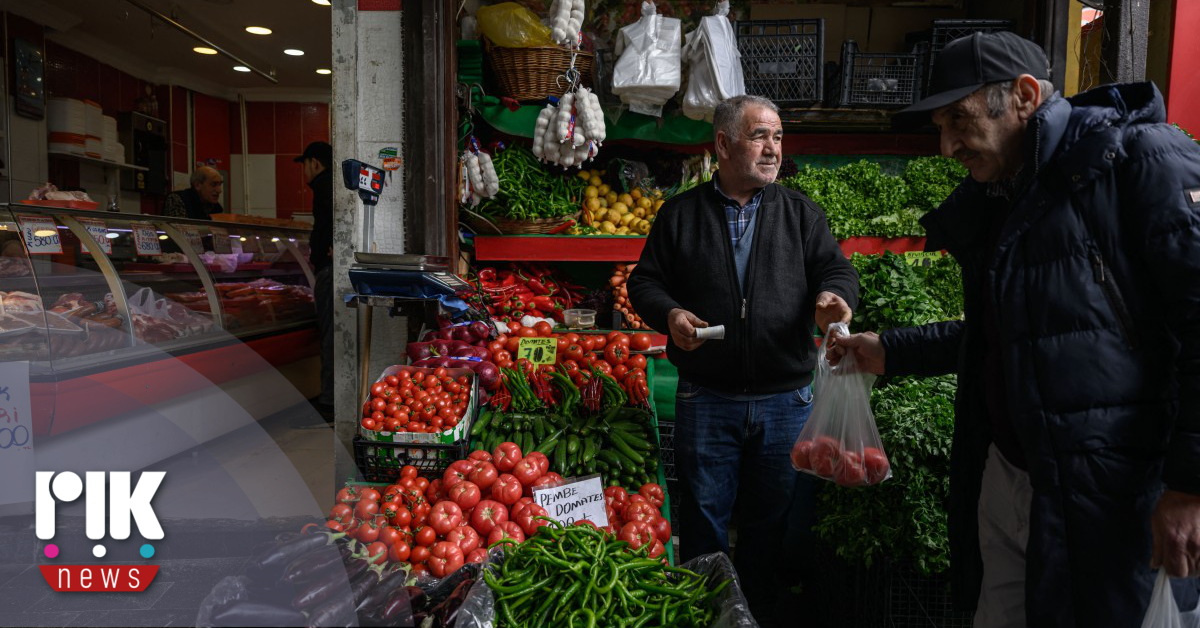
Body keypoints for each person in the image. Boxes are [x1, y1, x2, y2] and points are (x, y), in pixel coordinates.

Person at [828, 32, 1200, 627]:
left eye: (959, 120)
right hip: (1009, 474)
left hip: (1107, 490)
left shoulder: (1137, 159)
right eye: (939, 127)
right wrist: (890, 351)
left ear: (1024, 96)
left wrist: (1190, 487)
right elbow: (1014, 334)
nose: (947, 145)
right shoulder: (1004, 193)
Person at [627, 94, 858, 626]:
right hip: (708, 397)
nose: (773, 148)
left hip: (786, 399)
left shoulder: (801, 213)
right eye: (760, 136)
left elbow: (836, 270)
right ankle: (707, 615)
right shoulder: (682, 214)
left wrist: (834, 299)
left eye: (777, 136)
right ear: (724, 145)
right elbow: (645, 282)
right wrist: (671, 314)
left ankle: (758, 613)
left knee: (769, 522)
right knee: (706, 519)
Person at [290, 141, 335, 429]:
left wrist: (329, 247)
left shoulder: (323, 186)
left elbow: (327, 225)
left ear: (314, 163)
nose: (304, 171)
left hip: (330, 272)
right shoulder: (333, 185)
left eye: (304, 164)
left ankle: (328, 407)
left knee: (330, 339)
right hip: (332, 268)